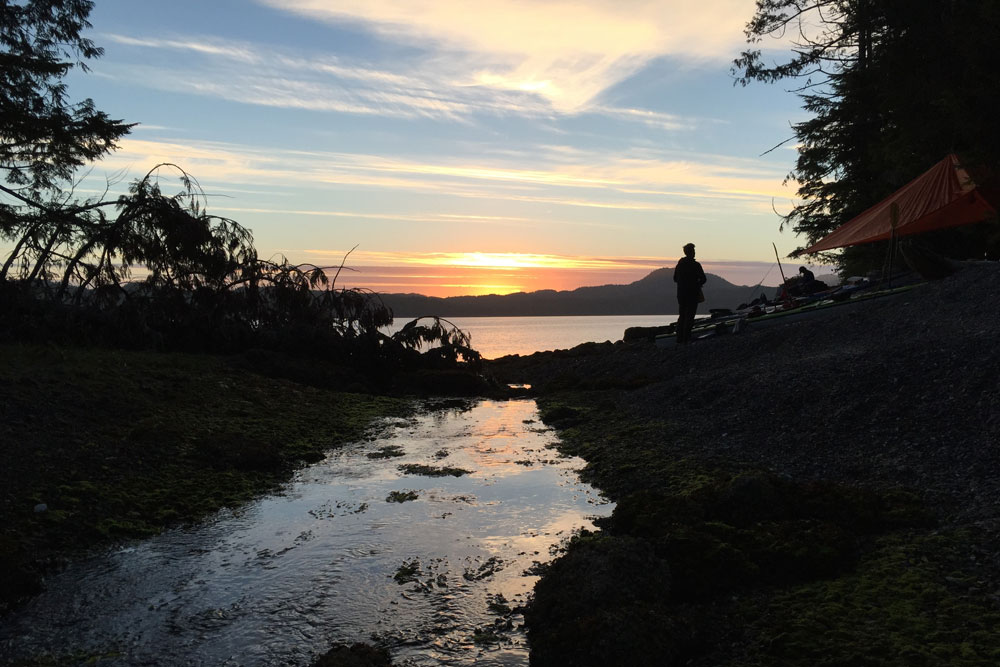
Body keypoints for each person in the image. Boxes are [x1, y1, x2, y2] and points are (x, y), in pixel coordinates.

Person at [673, 242, 707, 344]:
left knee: (682, 315)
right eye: (693, 251)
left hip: (681, 294)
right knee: (690, 316)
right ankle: (686, 338)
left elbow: (675, 278)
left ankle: (679, 338)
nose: (694, 253)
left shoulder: (680, 265)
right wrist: (697, 284)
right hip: (692, 294)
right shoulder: (696, 265)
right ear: (691, 252)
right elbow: (703, 279)